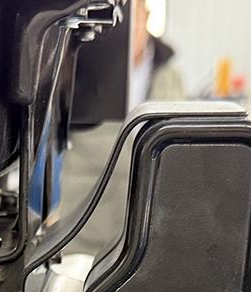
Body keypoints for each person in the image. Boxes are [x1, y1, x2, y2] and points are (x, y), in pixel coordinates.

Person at [60, 0, 184, 257]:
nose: (127, 26)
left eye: (132, 16)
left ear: (145, 15)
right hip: (84, 238)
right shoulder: (80, 65)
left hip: (148, 237)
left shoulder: (169, 75)